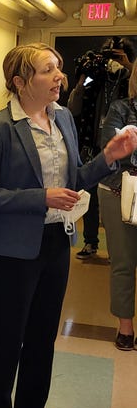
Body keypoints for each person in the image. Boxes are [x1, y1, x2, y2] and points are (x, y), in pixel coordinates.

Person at [0, 43, 137, 408]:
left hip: (56, 242)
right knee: (8, 344)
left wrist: (110, 158)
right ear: (20, 82)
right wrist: (39, 197)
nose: (60, 75)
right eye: (49, 70)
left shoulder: (61, 117)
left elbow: (76, 178)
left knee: (43, 341)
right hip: (13, 251)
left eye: (59, 69)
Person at [67, 38, 134, 257]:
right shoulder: (94, 81)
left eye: (118, 56)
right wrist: (81, 82)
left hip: (124, 153)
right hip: (93, 146)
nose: (113, 61)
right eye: (110, 56)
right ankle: (90, 241)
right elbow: (73, 107)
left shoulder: (128, 82)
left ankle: (123, 246)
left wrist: (128, 67)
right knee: (89, 194)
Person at [98, 60, 137, 349]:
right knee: (122, 262)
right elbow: (113, 148)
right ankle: (125, 326)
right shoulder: (121, 107)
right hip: (118, 191)